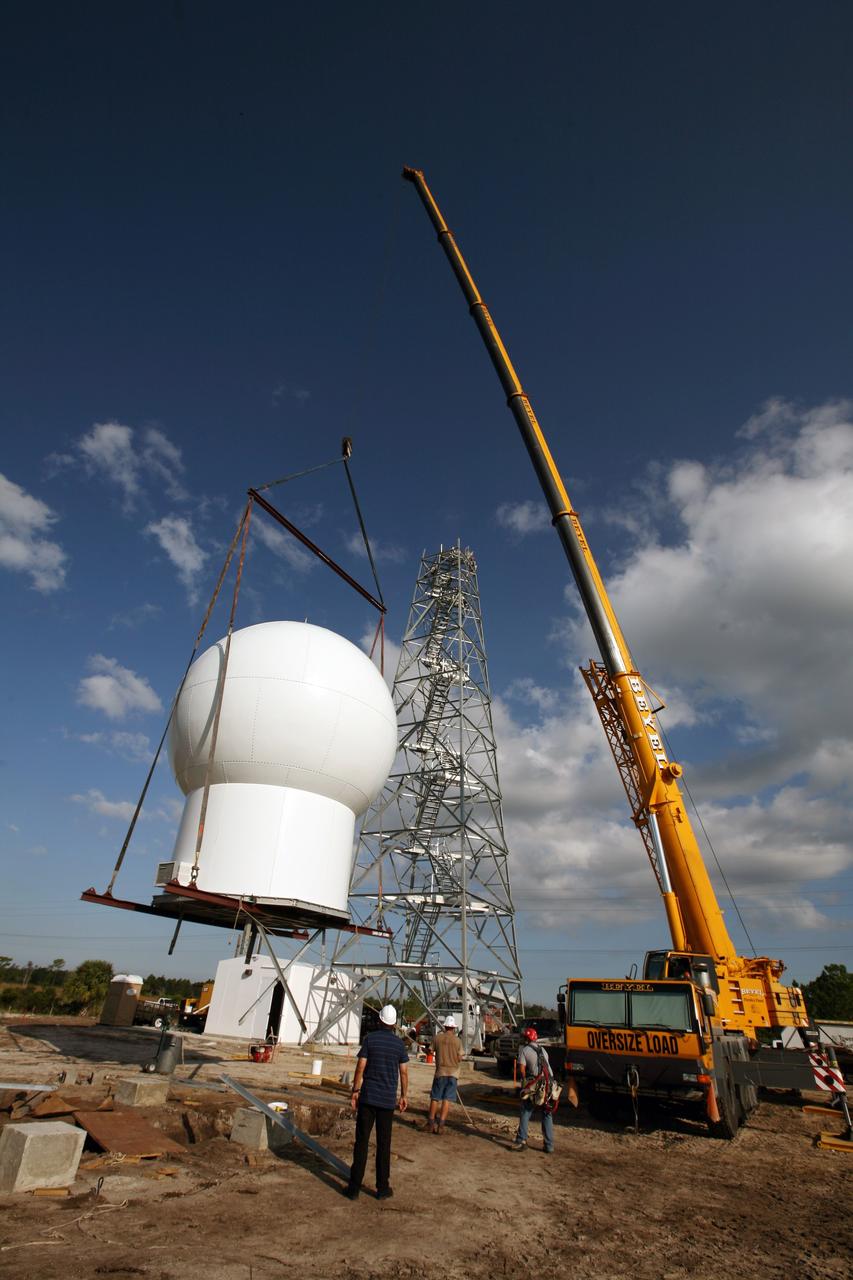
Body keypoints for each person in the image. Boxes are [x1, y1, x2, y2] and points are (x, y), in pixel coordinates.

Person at [346, 1004, 409, 1200]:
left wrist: (355, 1090)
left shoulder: (370, 1040)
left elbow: (360, 1066)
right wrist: (404, 1095)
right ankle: (382, 1188)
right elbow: (404, 1072)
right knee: (384, 1144)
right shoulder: (399, 1045)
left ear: (380, 1020)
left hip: (367, 1098)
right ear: (394, 1023)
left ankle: (354, 1188)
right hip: (387, 1101)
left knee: (362, 1143)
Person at [511, 1026, 554, 1154]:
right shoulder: (543, 1050)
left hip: (537, 1084)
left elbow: (523, 1070)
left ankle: (521, 1140)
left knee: (526, 1110)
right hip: (549, 1084)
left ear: (527, 1038)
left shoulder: (525, 1050)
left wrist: (524, 1084)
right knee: (547, 1113)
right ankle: (549, 1145)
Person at [427, 1014, 463, 1133]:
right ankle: (441, 1126)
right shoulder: (458, 1041)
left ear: (445, 1026)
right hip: (453, 1074)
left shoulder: (437, 1038)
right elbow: (459, 1058)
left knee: (435, 1098)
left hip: (440, 1072)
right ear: (454, 1028)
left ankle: (431, 1124)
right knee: (446, 1100)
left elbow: (430, 1052)